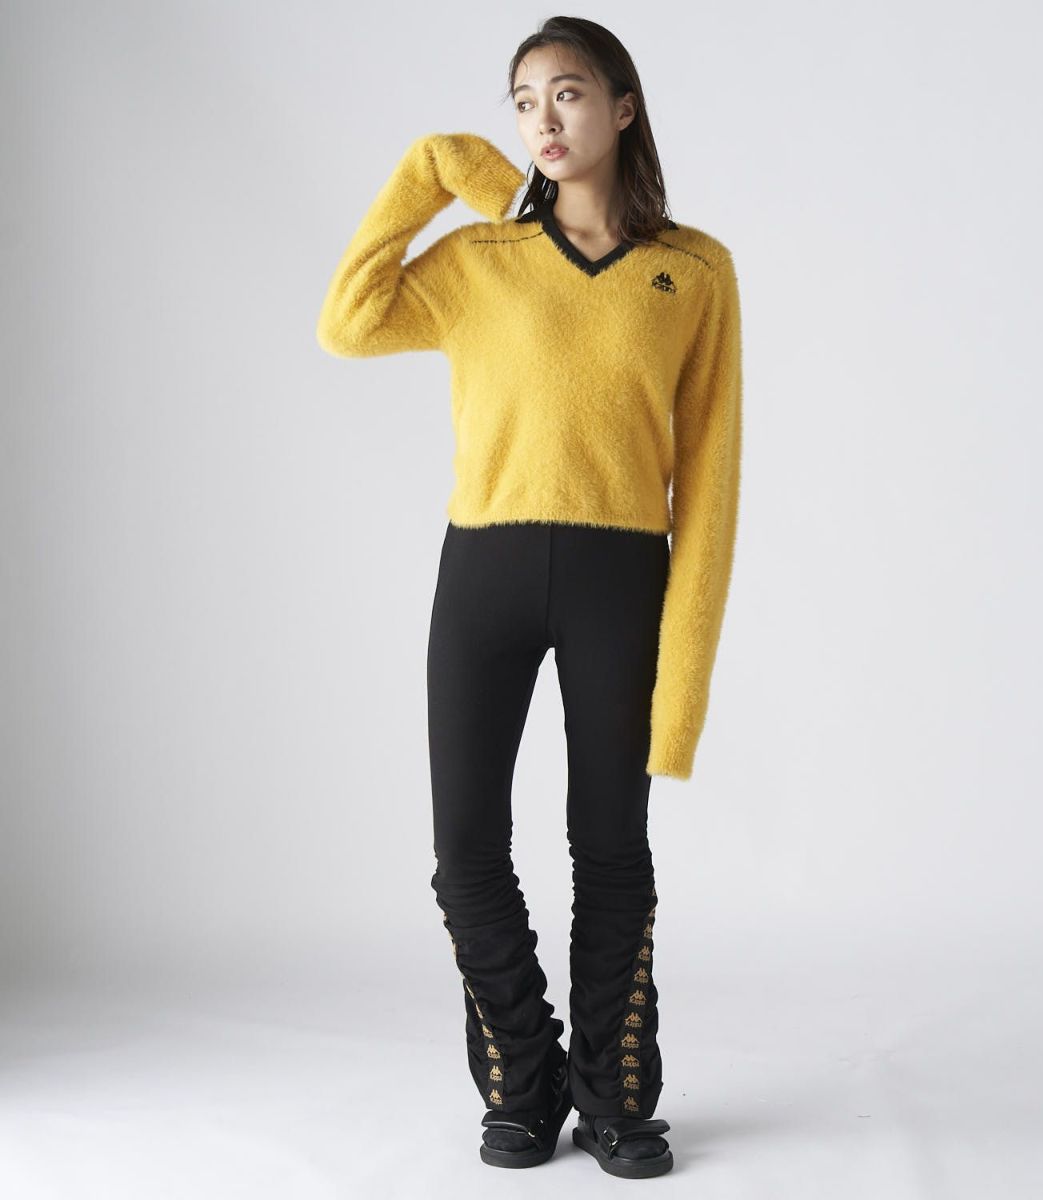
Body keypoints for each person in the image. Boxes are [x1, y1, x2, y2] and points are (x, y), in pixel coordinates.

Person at [315, 15, 742, 1180]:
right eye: (522, 101)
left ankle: (616, 1097)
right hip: (484, 573)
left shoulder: (693, 272)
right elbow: (348, 321)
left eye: (567, 93)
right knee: (464, 853)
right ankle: (523, 1073)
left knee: (611, 851)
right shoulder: (479, 260)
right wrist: (438, 170)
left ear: (623, 107)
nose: (542, 119)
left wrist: (684, 690)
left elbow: (710, 487)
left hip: (620, 579)